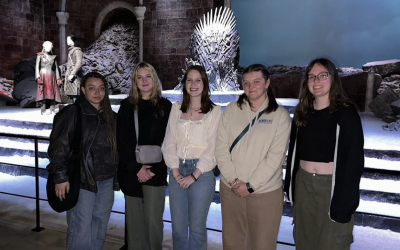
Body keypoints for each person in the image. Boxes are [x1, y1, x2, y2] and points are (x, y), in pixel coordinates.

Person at [284, 58, 364, 250]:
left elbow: (354, 162)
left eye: (322, 75)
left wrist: (346, 201)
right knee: (304, 241)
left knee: (332, 242)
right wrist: (290, 187)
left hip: (331, 187)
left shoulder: (345, 114)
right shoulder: (302, 113)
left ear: (333, 78)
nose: (316, 81)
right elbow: (293, 154)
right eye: (311, 77)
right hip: (303, 186)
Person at [215, 64, 290, 250]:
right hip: (230, 189)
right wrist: (233, 181)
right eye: (246, 83)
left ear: (267, 83)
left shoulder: (280, 116)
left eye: (256, 81)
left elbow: (275, 157)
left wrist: (250, 186)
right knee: (233, 243)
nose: (251, 86)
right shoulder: (231, 110)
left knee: (262, 244)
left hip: (264, 193)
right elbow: (221, 148)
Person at [47, 72, 119, 250]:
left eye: (101, 88)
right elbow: (58, 147)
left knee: (99, 226)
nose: (97, 93)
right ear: (82, 90)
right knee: (80, 228)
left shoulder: (111, 116)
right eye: (92, 88)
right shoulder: (73, 112)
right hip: (82, 180)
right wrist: (61, 177)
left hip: (106, 180)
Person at [162, 65, 222, 250]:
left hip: (202, 174)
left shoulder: (214, 112)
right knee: (178, 229)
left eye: (198, 80)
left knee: (196, 229)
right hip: (176, 170)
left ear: (204, 83)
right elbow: (169, 141)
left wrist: (194, 175)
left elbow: (213, 147)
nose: (193, 84)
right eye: (189, 80)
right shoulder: (175, 108)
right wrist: (176, 172)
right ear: (184, 83)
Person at [117, 62, 172, 250]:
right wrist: (136, 168)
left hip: (156, 173)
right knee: (135, 225)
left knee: (153, 223)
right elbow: (122, 141)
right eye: (139, 77)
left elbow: (170, 142)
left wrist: (154, 169)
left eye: (148, 76)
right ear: (135, 82)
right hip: (132, 173)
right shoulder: (126, 106)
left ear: (154, 79)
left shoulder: (166, 106)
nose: (144, 81)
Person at [35, 41, 62, 114]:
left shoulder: (53, 57)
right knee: (43, 92)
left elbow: (56, 68)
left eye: (50, 46)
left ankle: (52, 108)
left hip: (51, 76)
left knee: (52, 92)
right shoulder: (39, 55)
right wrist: (37, 77)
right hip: (43, 75)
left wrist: (58, 78)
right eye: (47, 46)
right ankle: (43, 109)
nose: (49, 48)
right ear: (44, 47)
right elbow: (37, 67)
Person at [64, 35, 83, 102]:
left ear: (73, 41)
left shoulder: (77, 50)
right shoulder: (71, 50)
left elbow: (79, 63)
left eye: (68, 39)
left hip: (75, 76)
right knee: (72, 95)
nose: (67, 41)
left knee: (76, 94)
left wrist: (72, 74)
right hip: (70, 74)